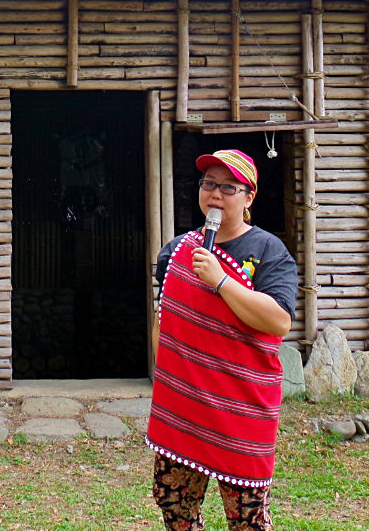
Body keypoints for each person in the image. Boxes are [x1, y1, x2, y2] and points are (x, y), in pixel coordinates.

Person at [147, 148, 299, 531]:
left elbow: (279, 321)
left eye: (228, 187)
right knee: (172, 500)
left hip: (241, 408)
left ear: (249, 197)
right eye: (208, 184)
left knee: (246, 515)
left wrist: (221, 280)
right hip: (186, 404)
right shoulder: (177, 251)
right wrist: (169, 382)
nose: (215, 195)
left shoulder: (268, 252)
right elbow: (164, 319)